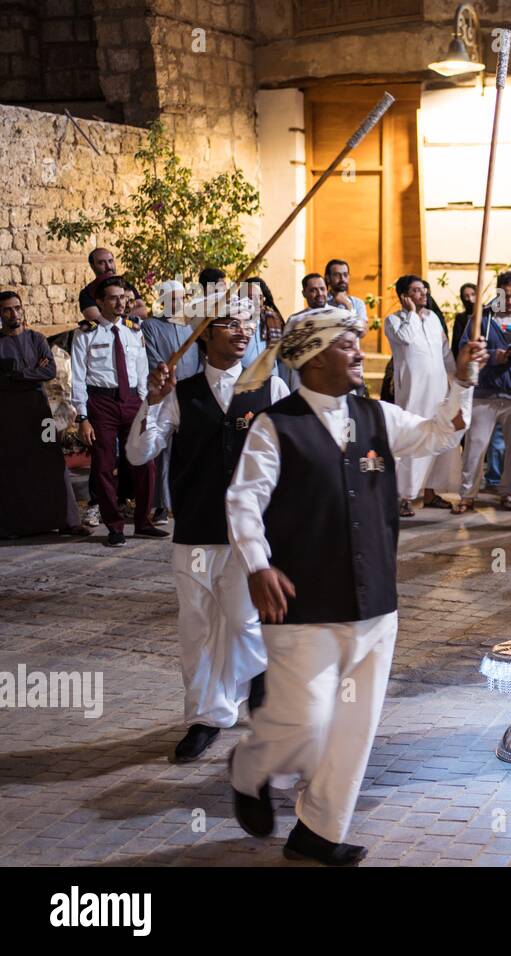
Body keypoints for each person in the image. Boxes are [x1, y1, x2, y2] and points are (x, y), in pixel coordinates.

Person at [226, 306, 484, 865]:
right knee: (309, 724)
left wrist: (462, 381)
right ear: (315, 357)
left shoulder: (374, 415)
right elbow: (243, 500)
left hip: (374, 603)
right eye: (347, 345)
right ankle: (250, 768)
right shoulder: (277, 426)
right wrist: (257, 564)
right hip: (303, 604)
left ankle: (318, 831)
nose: (357, 355)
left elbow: (437, 434)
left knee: (355, 726)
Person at [125, 298, 287, 761]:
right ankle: (205, 718)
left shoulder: (270, 388)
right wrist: (151, 402)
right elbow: (139, 453)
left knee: (243, 622)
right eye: (230, 324)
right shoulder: (182, 392)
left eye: (246, 323)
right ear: (205, 334)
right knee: (196, 627)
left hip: (250, 533)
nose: (241, 331)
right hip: (195, 530)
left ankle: (259, 676)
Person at [71, 276, 167, 546]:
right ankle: (114, 527)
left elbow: (141, 370)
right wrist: (82, 417)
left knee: (145, 462)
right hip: (101, 403)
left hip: (133, 402)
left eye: (123, 297)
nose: (121, 303)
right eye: (113, 298)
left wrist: (146, 406)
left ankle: (142, 521)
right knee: (103, 465)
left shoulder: (133, 330)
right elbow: (78, 377)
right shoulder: (85, 333)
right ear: (100, 302)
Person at [0, 291, 86, 538]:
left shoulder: (37, 339)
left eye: (17, 308)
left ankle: (69, 521)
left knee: (53, 459)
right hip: (9, 414)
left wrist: (17, 376)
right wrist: (27, 374)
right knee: (12, 465)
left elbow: (49, 371)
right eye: (7, 310)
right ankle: (15, 526)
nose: (13, 313)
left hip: (41, 411)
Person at [455, 271, 511, 512]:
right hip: (484, 393)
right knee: (475, 446)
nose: (509, 301)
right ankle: (467, 494)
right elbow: (464, 349)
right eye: (504, 295)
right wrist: (491, 356)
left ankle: (508, 492)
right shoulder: (482, 318)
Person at [384, 275, 458, 517]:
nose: (423, 294)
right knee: (412, 441)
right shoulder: (394, 321)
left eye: (424, 289)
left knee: (437, 439)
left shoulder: (434, 318)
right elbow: (406, 338)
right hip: (413, 394)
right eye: (416, 291)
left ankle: (430, 492)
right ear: (404, 296)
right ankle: (404, 497)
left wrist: (454, 380)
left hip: (438, 392)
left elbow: (445, 352)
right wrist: (412, 313)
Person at [140, 280, 202, 525]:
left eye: (180, 298)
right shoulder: (151, 326)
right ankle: (162, 506)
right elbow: (153, 358)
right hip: (166, 395)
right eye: (172, 299)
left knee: (191, 449)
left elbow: (200, 359)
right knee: (163, 451)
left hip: (191, 394)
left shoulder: (191, 327)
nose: (177, 303)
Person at [450, 282, 477, 357]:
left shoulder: (487, 313)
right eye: (466, 296)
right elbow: (456, 343)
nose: (470, 299)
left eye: (473, 294)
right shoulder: (460, 318)